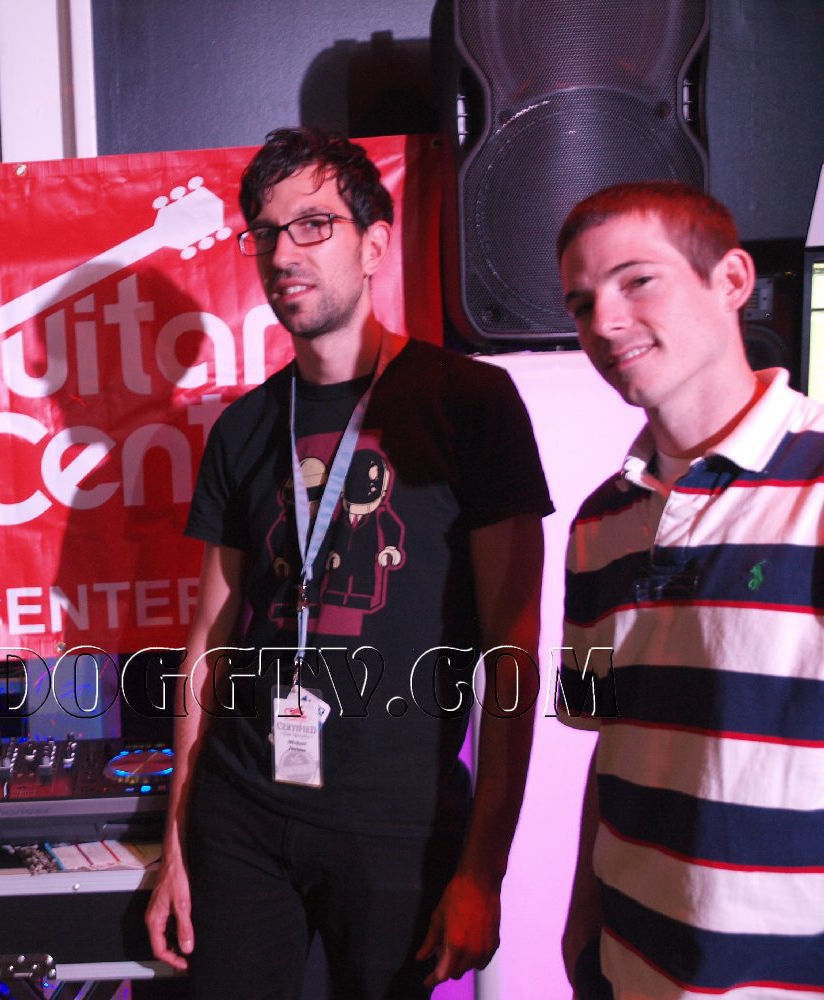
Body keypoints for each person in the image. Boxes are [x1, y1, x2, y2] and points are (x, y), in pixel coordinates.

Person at [144, 127, 553, 998]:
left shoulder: (470, 402)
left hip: (396, 825)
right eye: (265, 231)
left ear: (373, 245)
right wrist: (177, 838)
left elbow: (511, 652)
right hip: (242, 813)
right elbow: (209, 641)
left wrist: (484, 869)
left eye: (312, 224)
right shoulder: (246, 427)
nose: (282, 253)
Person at [555, 182, 824, 998]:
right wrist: (579, 926)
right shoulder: (596, 522)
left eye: (636, 280)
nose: (604, 323)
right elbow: (605, 736)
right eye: (581, 303)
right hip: (628, 967)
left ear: (731, 280)